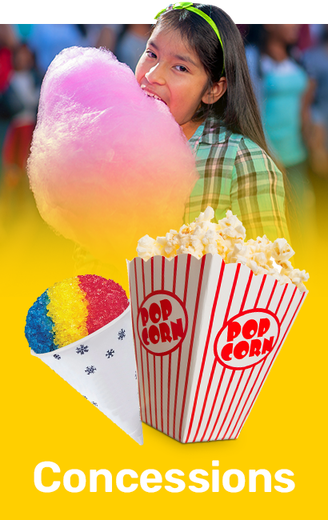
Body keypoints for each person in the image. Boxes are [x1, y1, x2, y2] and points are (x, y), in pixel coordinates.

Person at [135, 4, 290, 243]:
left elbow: (271, 274)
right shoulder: (120, 148)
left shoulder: (243, 161)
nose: (152, 75)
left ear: (213, 90)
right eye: (152, 54)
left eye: (180, 67)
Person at [245, 23, 316, 255]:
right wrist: (273, 160)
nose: (296, 25)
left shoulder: (296, 56)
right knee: (278, 236)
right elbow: (254, 115)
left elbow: (304, 108)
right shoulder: (251, 59)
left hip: (299, 157)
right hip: (270, 161)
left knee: (305, 227)